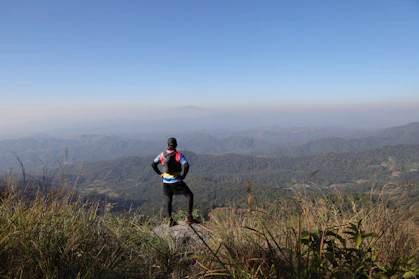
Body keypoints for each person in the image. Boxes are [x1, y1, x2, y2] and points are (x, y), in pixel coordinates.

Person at [151, 137, 199, 225]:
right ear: (176, 145)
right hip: (176, 180)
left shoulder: (162, 155)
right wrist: (183, 175)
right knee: (189, 195)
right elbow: (186, 165)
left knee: (168, 200)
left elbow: (153, 164)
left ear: (167, 145)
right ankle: (189, 217)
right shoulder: (178, 155)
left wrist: (160, 174)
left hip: (166, 182)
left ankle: (170, 220)